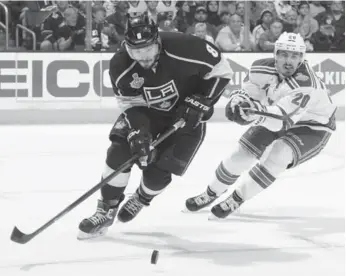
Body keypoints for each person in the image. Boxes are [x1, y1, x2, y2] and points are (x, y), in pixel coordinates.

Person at [78, 14, 233, 239]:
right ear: (126, 46)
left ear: (158, 41)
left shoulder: (185, 46)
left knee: (157, 175)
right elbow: (129, 103)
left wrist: (204, 99)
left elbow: (222, 69)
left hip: (185, 117)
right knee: (118, 152)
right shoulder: (120, 64)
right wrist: (139, 132)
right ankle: (106, 209)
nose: (144, 57)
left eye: (148, 49)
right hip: (147, 113)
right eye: (136, 51)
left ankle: (141, 198)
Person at [185, 32, 337, 219]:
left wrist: (253, 111)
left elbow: (279, 122)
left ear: (302, 58)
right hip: (275, 114)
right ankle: (210, 193)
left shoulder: (306, 84)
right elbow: (249, 93)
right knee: (241, 155)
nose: (288, 61)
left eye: (295, 56)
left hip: (313, 126)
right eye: (283, 54)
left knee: (279, 155)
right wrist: (238, 101)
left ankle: (237, 198)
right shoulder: (259, 68)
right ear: (275, 54)